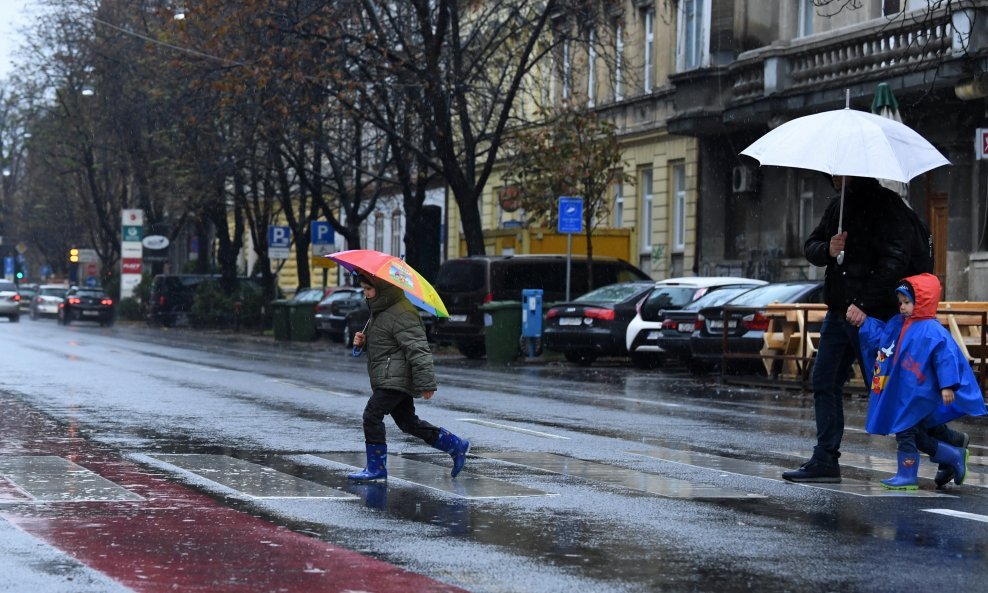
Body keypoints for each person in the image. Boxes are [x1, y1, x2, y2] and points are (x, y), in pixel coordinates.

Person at [783, 176, 915, 482]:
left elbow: (895, 260)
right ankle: (826, 458)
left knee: (884, 390)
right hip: (839, 314)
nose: (833, 177)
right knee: (824, 380)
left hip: (873, 319)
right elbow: (811, 246)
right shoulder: (837, 206)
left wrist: (865, 303)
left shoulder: (886, 204)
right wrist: (828, 249)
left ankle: (944, 446)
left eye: (839, 172)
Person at [854, 274, 986, 489]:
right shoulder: (901, 324)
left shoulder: (931, 330)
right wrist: (866, 324)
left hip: (920, 393)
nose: (902, 307)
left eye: (907, 302)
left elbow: (946, 358)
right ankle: (953, 453)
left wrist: (947, 385)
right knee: (915, 432)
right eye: (901, 303)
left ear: (922, 301)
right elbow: (885, 341)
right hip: (907, 393)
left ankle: (909, 473)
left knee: (907, 433)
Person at [347, 272, 470, 481]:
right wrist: (363, 342)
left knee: (372, 415)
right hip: (390, 375)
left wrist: (426, 382)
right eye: (364, 290)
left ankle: (377, 469)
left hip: (396, 378)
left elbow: (418, 348)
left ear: (382, 289)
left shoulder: (401, 312)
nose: (365, 295)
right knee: (408, 423)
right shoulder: (380, 310)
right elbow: (386, 345)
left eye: (368, 290)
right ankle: (455, 445)